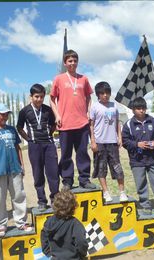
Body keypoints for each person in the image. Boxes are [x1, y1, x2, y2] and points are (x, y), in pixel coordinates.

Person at [0, 103, 33, 237]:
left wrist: (22, 165)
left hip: (15, 169)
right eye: (2, 114)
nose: (5, 117)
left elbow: (17, 148)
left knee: (19, 196)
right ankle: (0, 225)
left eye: (7, 114)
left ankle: (21, 222)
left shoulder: (11, 130)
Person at [50, 49, 96, 190]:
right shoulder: (59, 79)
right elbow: (52, 98)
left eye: (75, 61)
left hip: (82, 123)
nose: (72, 63)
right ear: (65, 63)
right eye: (70, 61)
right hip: (65, 124)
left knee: (82, 153)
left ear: (77, 62)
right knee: (66, 155)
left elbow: (89, 97)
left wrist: (89, 112)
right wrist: (57, 115)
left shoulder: (84, 79)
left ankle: (84, 179)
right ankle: (67, 181)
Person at [17, 84, 60, 211]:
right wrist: (29, 139)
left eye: (41, 97)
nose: (39, 99)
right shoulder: (25, 111)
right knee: (38, 173)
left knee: (53, 173)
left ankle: (55, 199)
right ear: (31, 97)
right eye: (36, 97)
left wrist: (48, 136)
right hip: (34, 146)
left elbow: (53, 125)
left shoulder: (47, 110)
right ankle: (42, 200)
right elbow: (19, 127)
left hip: (49, 144)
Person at [90, 81, 128, 202]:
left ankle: (122, 192)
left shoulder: (114, 106)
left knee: (118, 168)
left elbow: (117, 123)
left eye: (107, 93)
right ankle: (106, 192)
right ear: (98, 95)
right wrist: (93, 141)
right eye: (102, 93)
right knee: (101, 168)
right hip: (100, 142)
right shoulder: (95, 106)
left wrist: (119, 137)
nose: (105, 95)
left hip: (112, 142)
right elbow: (91, 125)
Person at [41, 190, 88, 260]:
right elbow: (81, 242)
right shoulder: (75, 224)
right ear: (73, 207)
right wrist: (83, 254)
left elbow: (44, 238)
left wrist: (48, 253)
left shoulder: (49, 221)